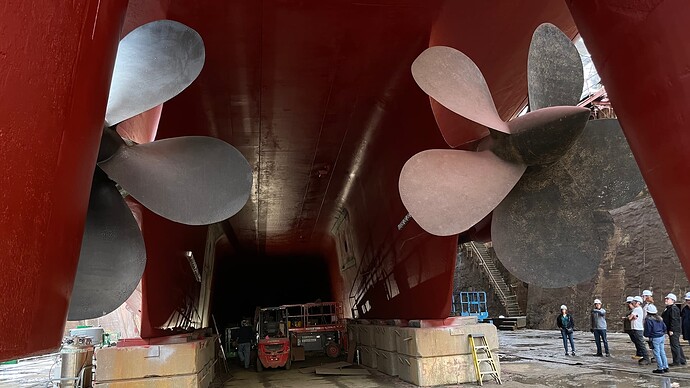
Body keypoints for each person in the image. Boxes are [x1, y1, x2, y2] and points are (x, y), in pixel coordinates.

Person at [661, 293, 686, 366]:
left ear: (672, 300)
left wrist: (671, 329)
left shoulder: (673, 309)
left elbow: (674, 320)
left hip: (674, 330)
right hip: (672, 329)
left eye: (667, 299)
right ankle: (682, 360)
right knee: (676, 345)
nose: (666, 300)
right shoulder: (669, 308)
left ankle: (677, 361)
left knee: (674, 345)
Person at [644, 304, 669, 373]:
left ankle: (660, 368)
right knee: (662, 352)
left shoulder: (648, 319)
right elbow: (664, 327)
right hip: (661, 336)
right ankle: (666, 366)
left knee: (656, 353)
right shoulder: (659, 318)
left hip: (654, 337)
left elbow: (648, 330)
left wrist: (646, 335)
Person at [629, 296, 651, 365]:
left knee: (641, 344)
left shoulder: (637, 309)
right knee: (639, 343)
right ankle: (644, 357)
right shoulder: (639, 309)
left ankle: (646, 358)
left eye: (634, 302)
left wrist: (631, 317)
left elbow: (630, 318)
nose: (633, 303)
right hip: (637, 328)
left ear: (638, 303)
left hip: (637, 328)